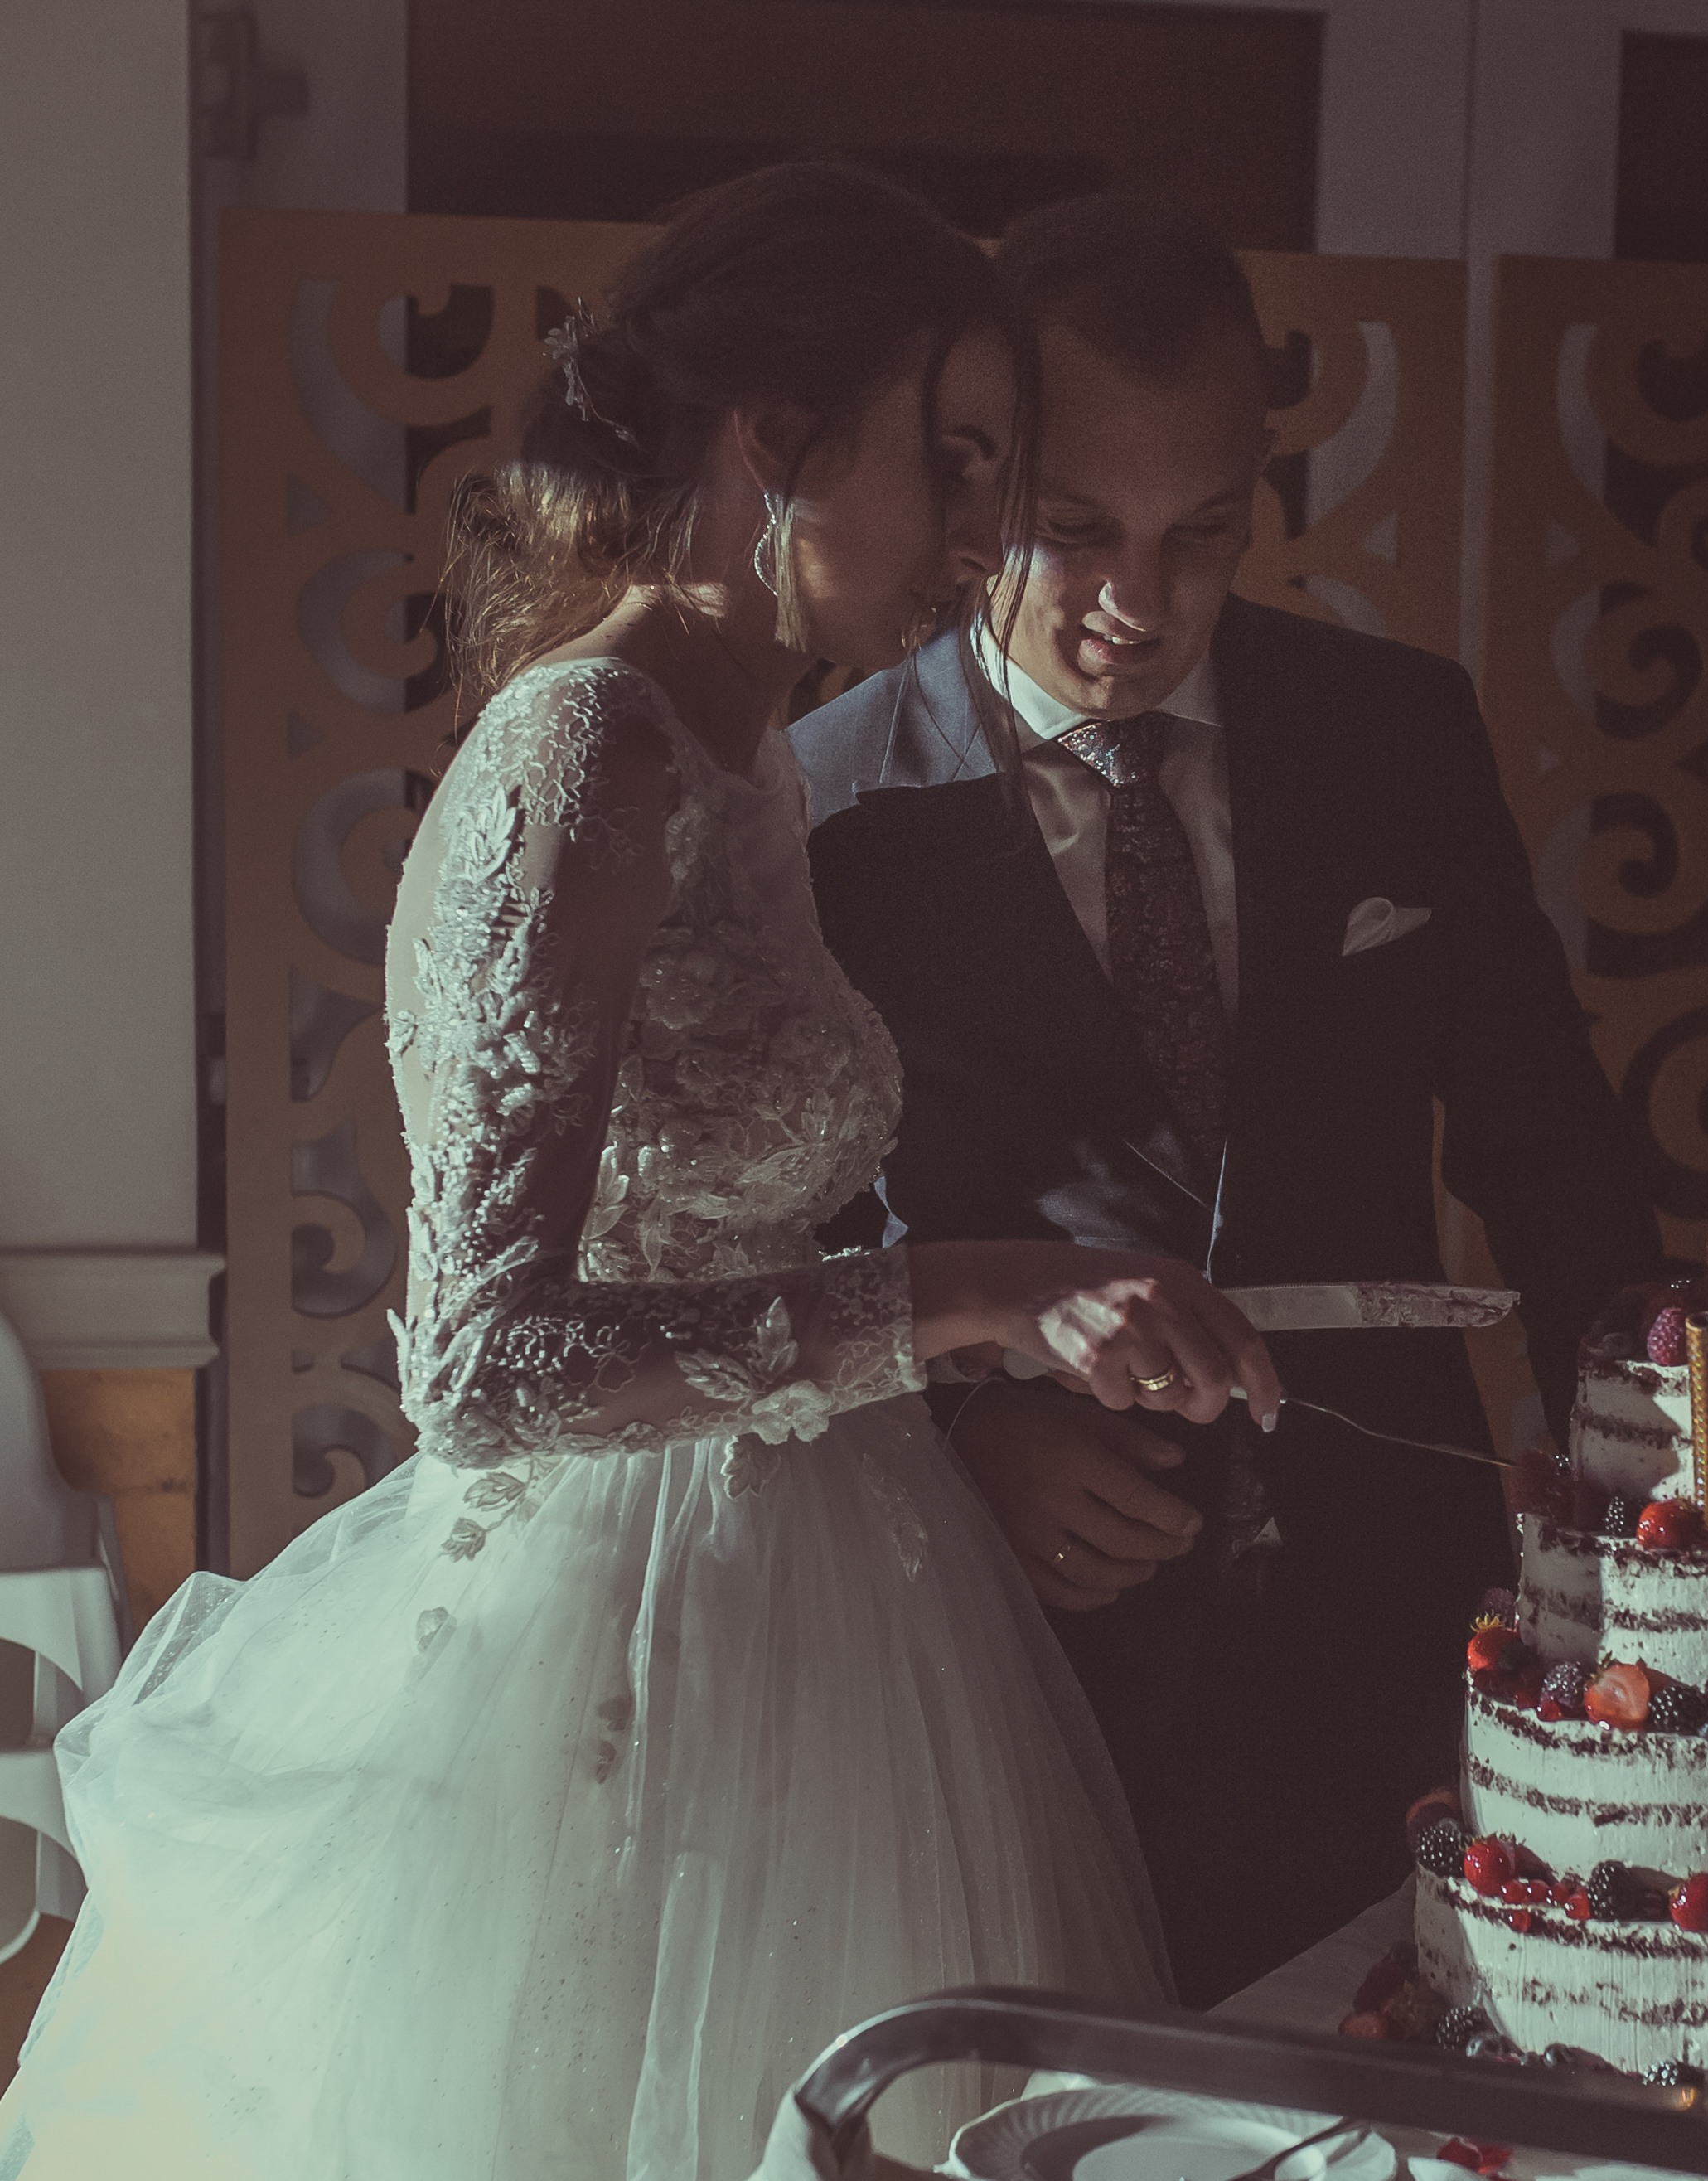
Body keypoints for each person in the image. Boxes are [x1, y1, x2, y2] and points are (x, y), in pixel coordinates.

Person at [0, 164, 1267, 2179]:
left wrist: (998, 1319)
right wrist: (972, 1289)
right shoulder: (586, 752)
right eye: (949, 464)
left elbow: (712, 1213)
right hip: (607, 1650)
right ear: (774, 437)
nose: (980, 539)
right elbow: (482, 1367)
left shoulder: (738, 747)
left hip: (827, 1606)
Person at [792, 195, 1661, 2004]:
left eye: (1202, 529)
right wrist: (964, 1444)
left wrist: (1656, 1512)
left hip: (1401, 1608)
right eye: (1075, 531)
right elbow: (766, 1274)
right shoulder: (821, 806)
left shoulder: (1395, 731)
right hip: (1025, 1646)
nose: (1139, 603)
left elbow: (1548, 1146)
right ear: (972, 488)